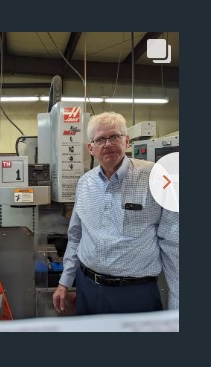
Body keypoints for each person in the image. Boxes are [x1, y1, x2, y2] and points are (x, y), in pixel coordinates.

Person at [53, 112, 178, 315]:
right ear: (91, 148)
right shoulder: (85, 183)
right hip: (88, 288)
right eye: (100, 139)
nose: (108, 144)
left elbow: (174, 244)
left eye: (115, 137)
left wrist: (178, 306)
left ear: (126, 141)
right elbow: (76, 236)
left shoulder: (155, 178)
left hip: (136, 293)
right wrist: (64, 282)